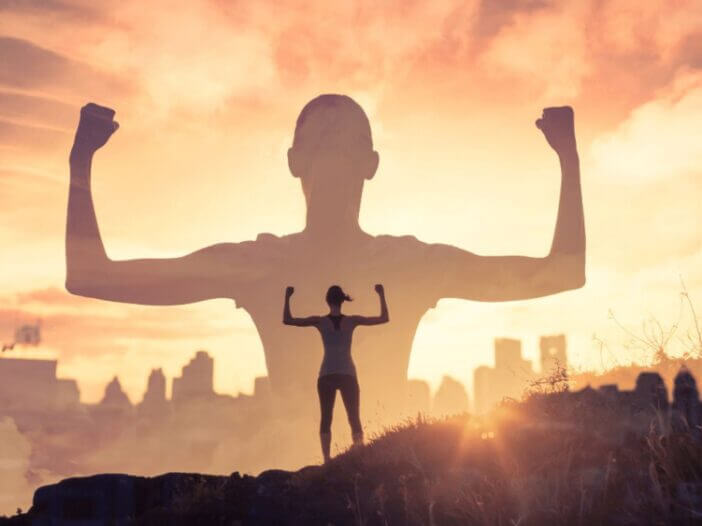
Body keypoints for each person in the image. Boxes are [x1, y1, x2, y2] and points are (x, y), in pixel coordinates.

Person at [66, 95, 585, 428]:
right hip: (293, 485)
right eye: (321, 140)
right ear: (294, 162)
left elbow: (561, 271)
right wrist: (80, 164)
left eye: (347, 141)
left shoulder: (408, 263)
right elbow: (93, 277)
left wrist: (569, 159)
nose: (334, 151)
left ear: (371, 164)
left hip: (382, 480)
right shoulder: (261, 262)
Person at [283, 283, 389, 462]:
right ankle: (359, 453)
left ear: (327, 301)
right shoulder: (351, 320)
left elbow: (288, 320)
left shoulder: (321, 321)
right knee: (353, 416)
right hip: (346, 374)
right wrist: (381, 294)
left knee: (327, 417)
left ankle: (327, 459)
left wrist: (287, 296)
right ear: (342, 300)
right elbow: (383, 318)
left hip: (328, 375)